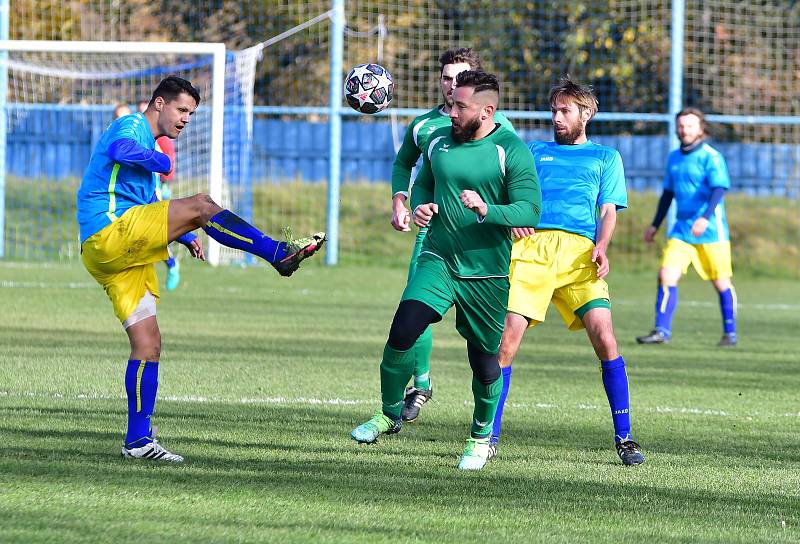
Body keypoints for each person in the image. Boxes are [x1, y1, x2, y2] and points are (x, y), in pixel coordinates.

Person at [79, 76, 325, 462]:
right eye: (182, 110)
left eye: (192, 114)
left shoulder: (151, 149)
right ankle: (277, 252)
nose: (186, 119)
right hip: (109, 233)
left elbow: (144, 203)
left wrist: (179, 235)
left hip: (119, 253)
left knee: (148, 344)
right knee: (201, 205)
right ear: (159, 103)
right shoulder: (132, 126)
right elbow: (120, 148)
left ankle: (138, 442)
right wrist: (161, 161)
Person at [351, 71, 541, 471]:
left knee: (485, 362)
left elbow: (529, 211)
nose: (451, 112)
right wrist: (419, 206)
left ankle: (479, 436)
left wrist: (489, 210)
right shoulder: (438, 141)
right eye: (451, 103)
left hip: (486, 273)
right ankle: (388, 414)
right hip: (439, 259)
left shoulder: (511, 150)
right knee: (402, 330)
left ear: (487, 111)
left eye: (460, 107)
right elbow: (424, 182)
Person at [489, 77, 646, 466]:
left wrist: (602, 246)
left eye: (565, 111)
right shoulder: (534, 151)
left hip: (580, 255)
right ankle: (486, 437)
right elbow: (509, 195)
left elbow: (608, 209)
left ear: (585, 114)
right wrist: (512, 220)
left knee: (606, 338)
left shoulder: (606, 157)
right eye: (554, 110)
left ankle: (624, 438)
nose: (557, 118)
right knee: (506, 343)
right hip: (533, 250)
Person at [390, 48, 516, 424]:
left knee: (481, 341)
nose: (451, 84)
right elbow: (404, 165)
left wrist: (508, 215)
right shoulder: (424, 125)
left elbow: (511, 173)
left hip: (480, 246)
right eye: (446, 77)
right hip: (433, 237)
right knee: (416, 309)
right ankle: (421, 384)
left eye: (459, 78)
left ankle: (481, 423)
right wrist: (402, 200)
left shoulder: (499, 126)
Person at [636, 108, 737, 347]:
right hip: (682, 231)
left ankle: (730, 333)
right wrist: (654, 225)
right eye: (681, 125)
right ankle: (661, 331)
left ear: (701, 128)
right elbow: (667, 195)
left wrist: (705, 217)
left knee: (721, 282)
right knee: (666, 275)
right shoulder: (673, 157)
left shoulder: (711, 157)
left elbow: (719, 189)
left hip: (712, 232)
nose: (684, 130)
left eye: (690, 125)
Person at [136, 100, 182, 291]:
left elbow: (166, 163)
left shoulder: (158, 137)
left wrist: (164, 185)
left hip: (153, 191)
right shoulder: (130, 132)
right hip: (135, 193)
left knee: (152, 234)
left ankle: (171, 264)